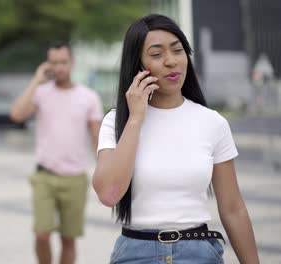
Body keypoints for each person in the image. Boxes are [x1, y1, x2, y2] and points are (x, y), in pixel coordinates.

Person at [92, 14, 259, 264]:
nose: (171, 61)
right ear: (138, 65)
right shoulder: (116, 122)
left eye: (178, 50)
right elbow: (108, 194)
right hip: (135, 254)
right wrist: (136, 119)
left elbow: (233, 208)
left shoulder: (212, 122)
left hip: (199, 253)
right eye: (157, 54)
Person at [10, 42, 103, 264]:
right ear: (47, 64)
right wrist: (36, 80)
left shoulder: (89, 97)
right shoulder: (41, 93)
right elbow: (17, 114)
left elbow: (97, 140)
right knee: (42, 235)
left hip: (75, 178)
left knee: (68, 240)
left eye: (64, 62)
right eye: (54, 62)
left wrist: (105, 175)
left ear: (72, 63)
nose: (59, 67)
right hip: (44, 176)